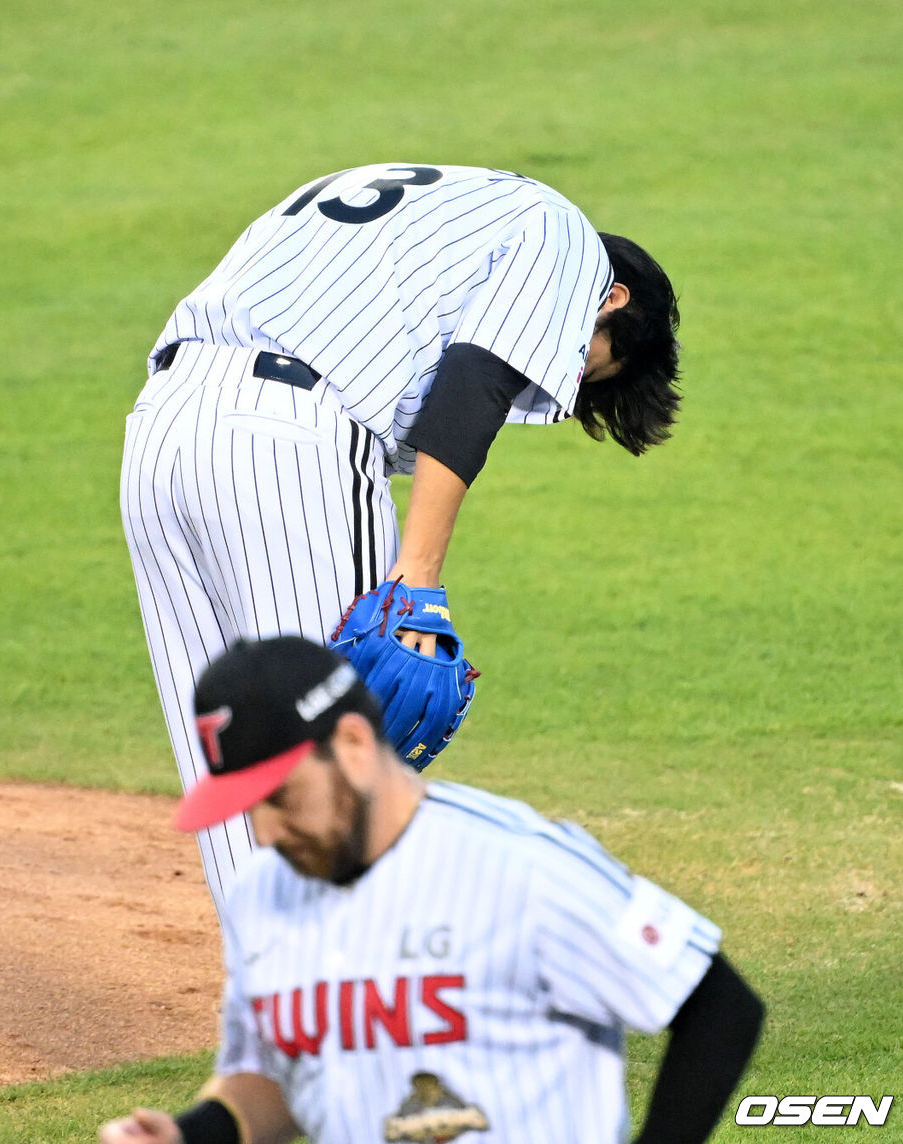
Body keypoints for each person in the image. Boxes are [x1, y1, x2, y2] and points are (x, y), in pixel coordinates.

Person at [120, 163, 682, 903]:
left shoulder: (419, 202)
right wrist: (416, 581)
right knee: (339, 750)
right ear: (611, 298)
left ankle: (273, 994)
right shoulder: (565, 239)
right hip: (288, 440)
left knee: (239, 753)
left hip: (158, 431)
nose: (563, 378)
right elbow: (473, 385)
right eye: (589, 362)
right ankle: (348, 999)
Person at [98, 636, 762, 1144]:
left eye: (280, 797)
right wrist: (192, 1133)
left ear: (353, 745)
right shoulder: (262, 896)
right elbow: (274, 1071)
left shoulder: (517, 867)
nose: (265, 833)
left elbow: (718, 1007)